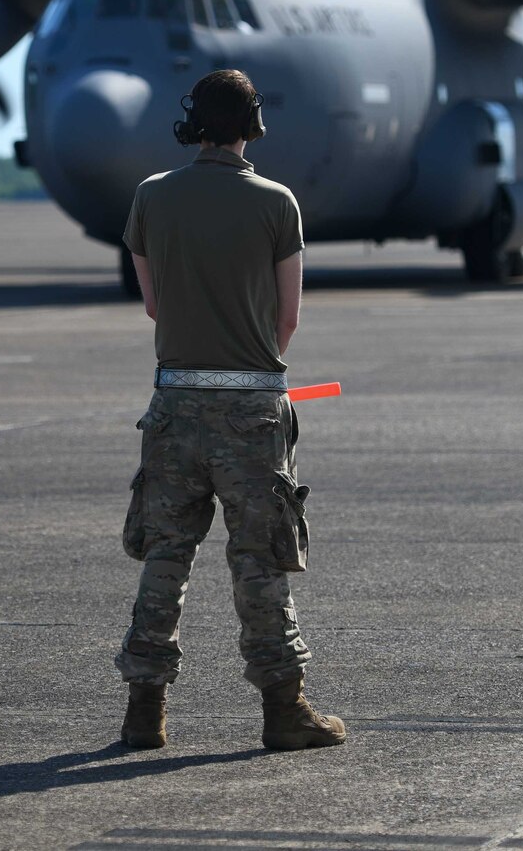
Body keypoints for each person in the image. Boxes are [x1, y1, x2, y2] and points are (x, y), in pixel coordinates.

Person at [114, 68, 346, 752]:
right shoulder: (278, 203)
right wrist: (250, 371)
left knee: (165, 554)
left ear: (194, 123)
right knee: (259, 558)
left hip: (175, 401)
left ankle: (143, 710)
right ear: (254, 124)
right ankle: (283, 707)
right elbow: (289, 316)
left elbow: (154, 305)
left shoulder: (152, 197)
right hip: (252, 406)